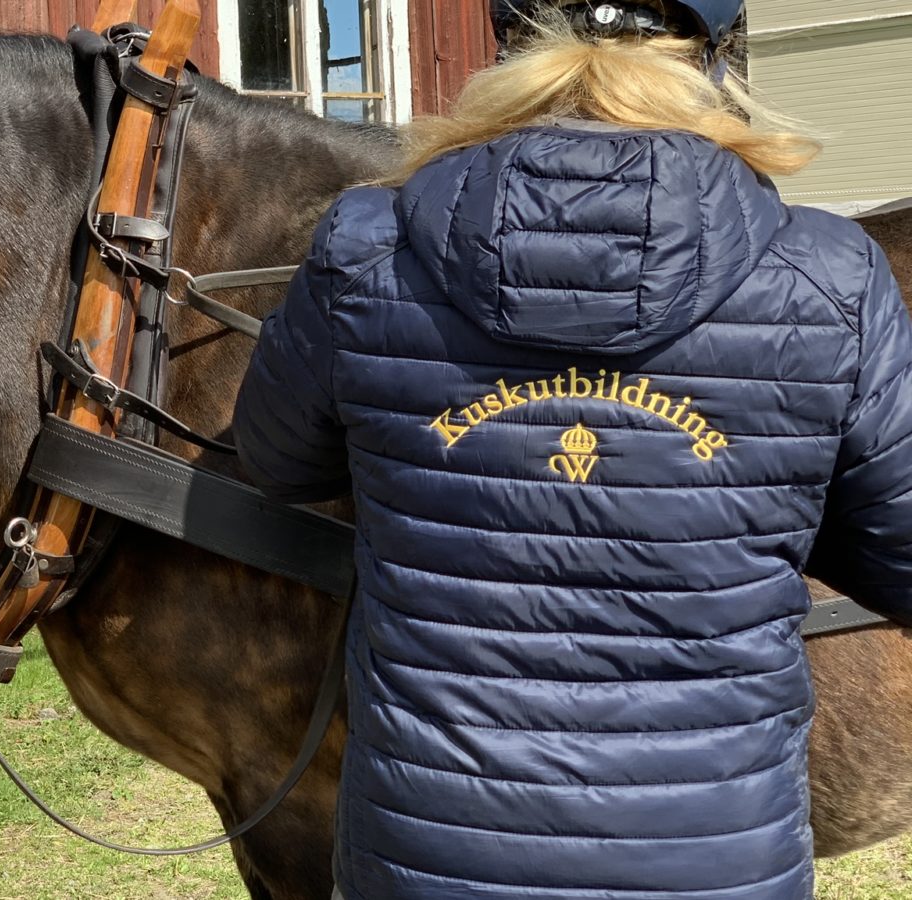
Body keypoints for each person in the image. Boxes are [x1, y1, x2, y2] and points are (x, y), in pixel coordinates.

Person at [232, 1, 912, 898]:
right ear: (714, 60)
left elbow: (275, 461)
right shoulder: (827, 277)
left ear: (509, 49)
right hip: (709, 864)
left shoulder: (367, 252)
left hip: (435, 864)